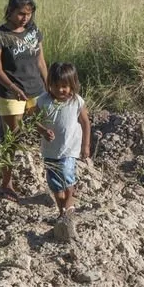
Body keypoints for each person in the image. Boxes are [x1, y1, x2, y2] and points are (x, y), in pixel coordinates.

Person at [0, 0, 48, 201]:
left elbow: (40, 61)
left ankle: (52, 179)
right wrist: (13, 88)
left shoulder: (34, 31)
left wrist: (48, 85)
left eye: (28, 13)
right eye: (21, 13)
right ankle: (6, 183)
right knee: (13, 138)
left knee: (45, 130)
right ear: (10, 11)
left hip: (36, 90)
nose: (25, 18)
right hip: (11, 94)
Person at [26, 62, 91, 218]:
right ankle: (63, 210)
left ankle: (69, 205)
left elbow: (85, 123)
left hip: (69, 149)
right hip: (50, 150)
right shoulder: (43, 100)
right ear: (49, 84)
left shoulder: (76, 101)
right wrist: (42, 130)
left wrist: (86, 145)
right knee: (54, 184)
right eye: (55, 86)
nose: (60, 90)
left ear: (72, 85)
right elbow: (32, 119)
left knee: (67, 175)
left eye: (64, 86)